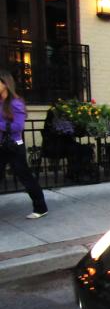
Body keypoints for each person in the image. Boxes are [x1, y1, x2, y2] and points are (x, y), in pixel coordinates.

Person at [0, 69, 48, 218]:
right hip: (1, 146)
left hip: (14, 146)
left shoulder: (16, 103)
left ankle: (41, 208)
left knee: (25, 177)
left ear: (5, 84)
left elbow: (18, 127)